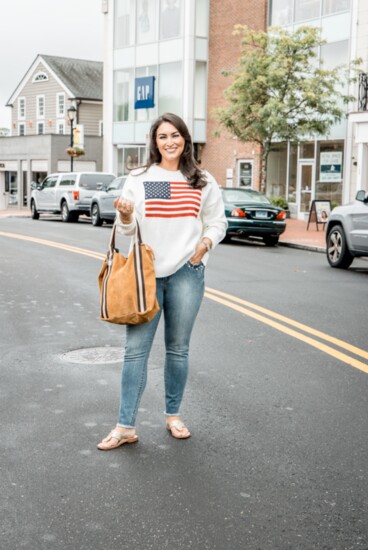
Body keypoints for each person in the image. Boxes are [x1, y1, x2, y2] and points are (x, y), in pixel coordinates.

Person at [97, 113, 227, 451]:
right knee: (135, 352)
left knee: (178, 350)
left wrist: (203, 247)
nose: (170, 141)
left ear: (186, 139)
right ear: (154, 142)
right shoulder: (142, 178)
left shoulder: (201, 180)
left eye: (176, 135)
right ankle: (125, 426)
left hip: (188, 272)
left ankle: (173, 415)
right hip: (147, 275)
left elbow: (217, 222)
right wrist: (126, 215)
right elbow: (129, 228)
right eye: (162, 136)